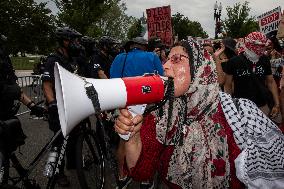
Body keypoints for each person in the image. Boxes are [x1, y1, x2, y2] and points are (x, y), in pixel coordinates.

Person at [114, 38, 284, 189]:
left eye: (177, 60)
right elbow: (142, 173)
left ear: (201, 68)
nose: (164, 66)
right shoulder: (161, 114)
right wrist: (133, 138)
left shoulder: (239, 113)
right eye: (167, 59)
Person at [110, 36, 164, 189]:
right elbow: (162, 80)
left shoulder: (120, 57)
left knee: (123, 140)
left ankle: (122, 177)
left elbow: (112, 80)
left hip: (123, 104)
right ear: (144, 47)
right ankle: (145, 180)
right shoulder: (151, 56)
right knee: (146, 141)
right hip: (147, 106)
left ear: (131, 46)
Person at [41, 27, 82, 187]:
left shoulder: (71, 59)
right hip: (58, 108)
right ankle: (55, 173)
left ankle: (74, 164)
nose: (77, 44)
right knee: (58, 143)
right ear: (65, 41)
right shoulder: (53, 60)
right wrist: (51, 103)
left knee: (73, 138)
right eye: (75, 41)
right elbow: (47, 83)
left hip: (72, 106)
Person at [0, 33, 45, 166]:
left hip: (5, 115)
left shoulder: (5, 62)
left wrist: (32, 106)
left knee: (7, 154)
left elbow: (15, 88)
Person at [224, 32, 280, 119]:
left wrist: (277, 104)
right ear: (249, 44)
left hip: (263, 105)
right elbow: (228, 85)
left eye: (263, 46)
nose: (261, 49)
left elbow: (271, 82)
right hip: (242, 107)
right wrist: (230, 106)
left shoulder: (264, 59)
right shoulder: (233, 62)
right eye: (259, 46)